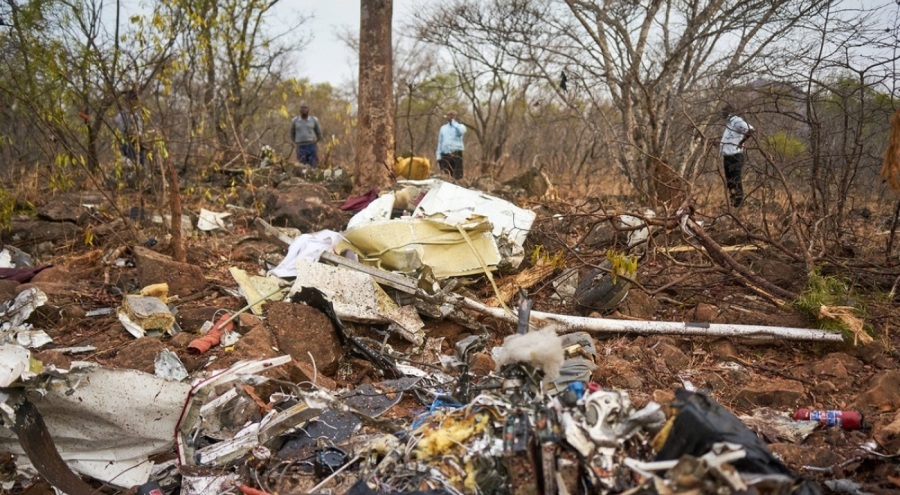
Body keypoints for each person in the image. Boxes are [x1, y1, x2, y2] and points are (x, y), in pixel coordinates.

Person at [720, 104, 754, 208]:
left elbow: (751, 130)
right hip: (727, 157)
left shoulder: (736, 121)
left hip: (735, 156)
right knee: (730, 181)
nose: (722, 113)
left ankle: (738, 204)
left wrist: (741, 142)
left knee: (735, 180)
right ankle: (733, 202)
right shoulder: (729, 124)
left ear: (729, 112)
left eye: (724, 111)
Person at [115, 90, 146, 167]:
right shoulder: (121, 116)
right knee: (130, 165)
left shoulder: (138, 115)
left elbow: (140, 130)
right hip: (127, 144)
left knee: (141, 167)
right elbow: (122, 130)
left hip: (139, 145)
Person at [290, 102, 323, 168]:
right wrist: (296, 141)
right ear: (299, 110)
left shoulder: (314, 120)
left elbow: (319, 134)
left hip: (311, 146)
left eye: (305, 108)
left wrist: (315, 141)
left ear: (308, 109)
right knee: (301, 167)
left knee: (313, 166)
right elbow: (292, 133)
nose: (304, 109)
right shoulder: (295, 120)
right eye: (302, 108)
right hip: (300, 147)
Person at [436, 110, 466, 180]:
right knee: (446, 175)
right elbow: (440, 142)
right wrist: (438, 155)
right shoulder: (443, 128)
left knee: (458, 176)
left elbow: (462, 131)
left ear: (456, 117)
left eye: (453, 115)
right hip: (445, 154)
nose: (451, 117)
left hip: (456, 154)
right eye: (449, 115)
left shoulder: (460, 127)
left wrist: (454, 123)